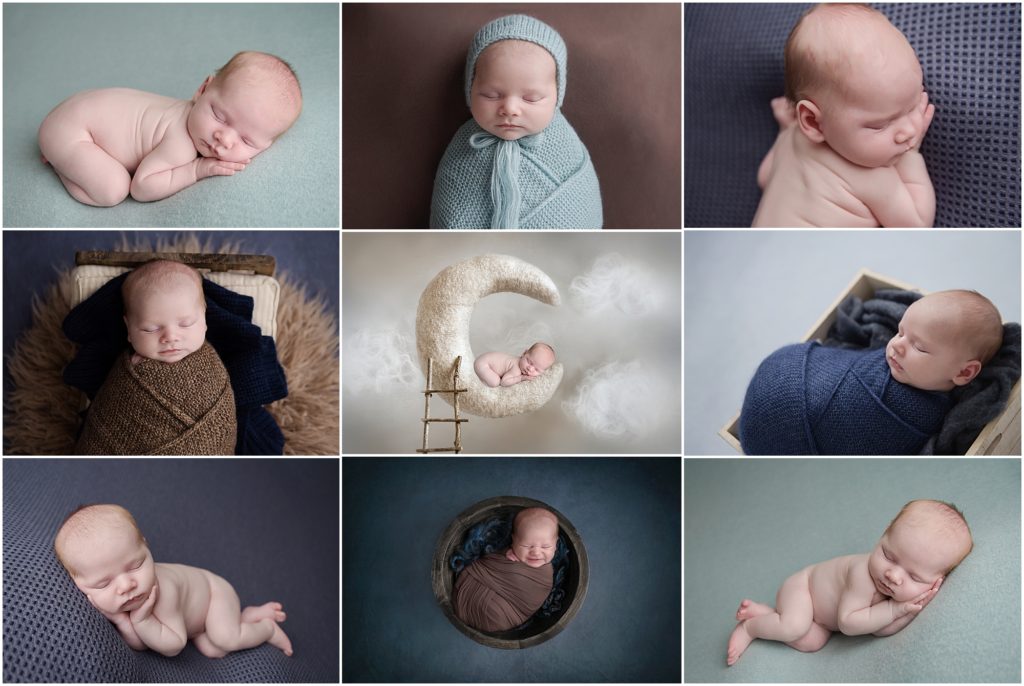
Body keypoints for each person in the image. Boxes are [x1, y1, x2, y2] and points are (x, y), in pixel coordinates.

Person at [740, 290, 1003, 455]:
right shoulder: (894, 368)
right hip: (786, 375)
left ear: (965, 372)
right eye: (900, 331)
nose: (897, 346)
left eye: (919, 347)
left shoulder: (925, 416)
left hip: (781, 430)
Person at [727, 499, 973, 665]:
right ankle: (750, 628)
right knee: (794, 626)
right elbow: (848, 623)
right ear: (883, 534)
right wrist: (895, 608)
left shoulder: (895, 589)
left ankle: (767, 614)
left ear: (935, 582)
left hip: (822, 620)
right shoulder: (863, 575)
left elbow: (878, 629)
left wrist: (909, 612)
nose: (893, 575)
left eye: (914, 577)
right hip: (804, 590)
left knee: (813, 642)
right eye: (888, 555)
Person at [38, 51, 301, 206]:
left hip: (77, 109)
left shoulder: (189, 113)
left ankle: (61, 153)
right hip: (71, 130)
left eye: (247, 140)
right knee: (113, 189)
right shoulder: (181, 143)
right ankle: (58, 161)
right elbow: (141, 188)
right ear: (202, 90)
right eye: (219, 116)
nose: (223, 139)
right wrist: (196, 170)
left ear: (267, 146)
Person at [753, 4, 935, 227]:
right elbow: (917, 225)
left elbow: (764, 177)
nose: (909, 131)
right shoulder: (874, 177)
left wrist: (784, 130)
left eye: (912, 105)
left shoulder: (791, 139)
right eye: (879, 125)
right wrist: (912, 156)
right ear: (813, 122)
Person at [431, 14, 602, 229]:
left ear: (557, 96)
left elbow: (582, 208)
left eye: (531, 98)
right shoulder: (464, 148)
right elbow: (450, 211)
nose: (510, 109)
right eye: (491, 95)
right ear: (470, 90)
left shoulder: (564, 148)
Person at [54, 504, 292, 658]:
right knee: (212, 650)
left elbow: (174, 645)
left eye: (136, 565)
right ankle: (247, 616)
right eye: (103, 584)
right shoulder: (123, 600)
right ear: (80, 585)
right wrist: (123, 621)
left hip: (213, 595)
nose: (126, 585)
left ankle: (266, 629)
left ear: (145, 546)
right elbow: (142, 643)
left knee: (225, 638)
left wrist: (142, 618)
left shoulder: (162, 590)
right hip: (194, 623)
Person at [74, 260, 237, 454]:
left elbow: (224, 424)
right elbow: (107, 423)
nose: (170, 337)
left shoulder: (212, 367)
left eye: (185, 324)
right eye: (150, 329)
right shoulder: (126, 376)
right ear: (129, 329)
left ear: (204, 319)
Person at [453, 507, 558, 632]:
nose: (536, 552)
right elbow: (487, 561)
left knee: (495, 614)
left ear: (555, 544)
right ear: (513, 541)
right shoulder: (508, 552)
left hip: (505, 615)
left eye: (546, 547)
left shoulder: (545, 576)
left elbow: (534, 596)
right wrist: (505, 554)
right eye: (526, 545)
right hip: (472, 589)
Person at [474, 342, 555, 387]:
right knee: (495, 382)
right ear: (524, 353)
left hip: (484, 360)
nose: (530, 369)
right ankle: (478, 382)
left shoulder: (521, 363)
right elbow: (504, 382)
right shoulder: (516, 368)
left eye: (536, 370)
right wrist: (521, 378)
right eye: (529, 362)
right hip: (483, 364)